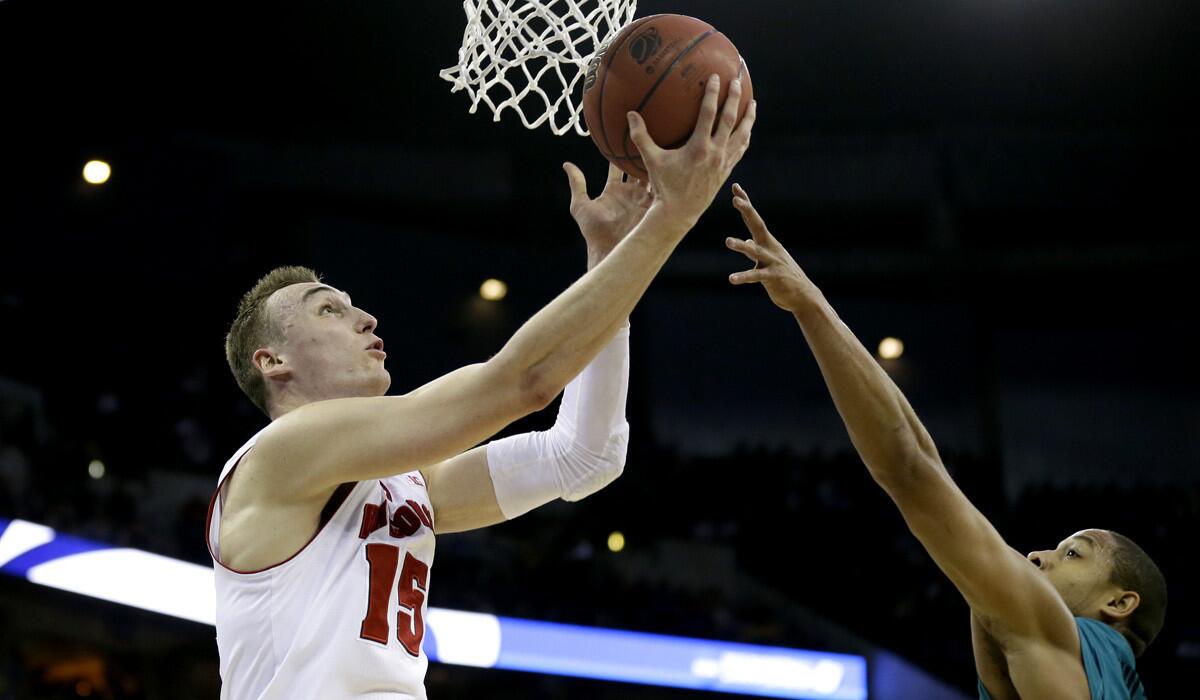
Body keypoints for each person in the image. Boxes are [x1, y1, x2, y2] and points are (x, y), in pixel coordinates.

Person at [205, 76, 756, 699]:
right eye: (328, 310)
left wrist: (609, 259)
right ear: (272, 360)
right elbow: (524, 380)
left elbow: (583, 457)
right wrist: (671, 218)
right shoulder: (281, 452)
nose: (366, 318)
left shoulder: (404, 486)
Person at [723, 183, 1165, 700]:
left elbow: (910, 470)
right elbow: (922, 459)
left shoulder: (1075, 642)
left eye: (1074, 555)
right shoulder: (1083, 671)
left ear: (1118, 604)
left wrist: (812, 307)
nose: (1039, 556)